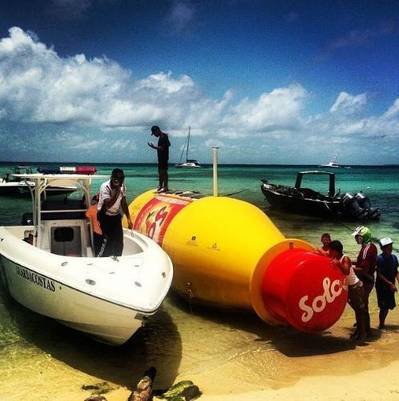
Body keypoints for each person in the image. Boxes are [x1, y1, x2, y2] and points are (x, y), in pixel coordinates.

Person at [329, 240, 367, 342]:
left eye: (331, 250)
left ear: (336, 251)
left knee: (359, 312)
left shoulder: (344, 259)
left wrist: (338, 263)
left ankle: (362, 335)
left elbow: (345, 270)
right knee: (357, 311)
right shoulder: (337, 258)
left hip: (356, 287)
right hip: (350, 288)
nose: (329, 252)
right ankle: (359, 332)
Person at [97, 168, 133, 257]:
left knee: (119, 242)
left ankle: (118, 259)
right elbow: (108, 204)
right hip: (104, 216)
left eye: (121, 179)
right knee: (107, 242)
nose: (119, 181)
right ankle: (102, 259)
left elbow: (123, 202)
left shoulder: (122, 187)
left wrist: (128, 218)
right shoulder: (105, 187)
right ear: (112, 178)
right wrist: (117, 191)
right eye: (116, 178)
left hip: (115, 216)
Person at [352, 226, 377, 337]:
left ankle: (364, 331)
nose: (356, 239)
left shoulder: (367, 249)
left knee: (361, 306)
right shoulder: (369, 246)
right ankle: (365, 328)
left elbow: (363, 270)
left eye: (358, 237)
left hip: (366, 281)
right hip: (367, 279)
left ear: (363, 237)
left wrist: (347, 268)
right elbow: (360, 263)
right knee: (362, 306)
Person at [375, 237, 399, 329]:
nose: (390, 248)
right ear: (382, 248)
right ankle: (381, 324)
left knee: (389, 306)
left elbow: (395, 271)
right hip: (381, 286)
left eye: (391, 246)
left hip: (390, 286)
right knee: (383, 307)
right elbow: (379, 274)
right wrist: (390, 284)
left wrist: (397, 279)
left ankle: (382, 323)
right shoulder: (379, 259)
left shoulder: (394, 257)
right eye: (388, 247)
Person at [148, 125, 171, 192]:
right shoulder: (162, 137)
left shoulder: (164, 136)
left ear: (157, 130)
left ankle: (165, 186)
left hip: (164, 157)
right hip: (160, 158)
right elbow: (168, 144)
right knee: (160, 172)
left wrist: (153, 147)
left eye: (154, 133)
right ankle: (160, 186)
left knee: (164, 172)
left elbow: (163, 148)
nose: (154, 135)